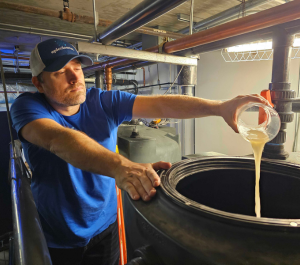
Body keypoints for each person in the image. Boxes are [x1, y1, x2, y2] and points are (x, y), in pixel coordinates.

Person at [10, 38, 271, 265]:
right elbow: (57, 139)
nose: (74, 77)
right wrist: (122, 167)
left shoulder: (101, 100)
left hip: (105, 226)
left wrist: (220, 107)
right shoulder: (27, 107)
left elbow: (160, 105)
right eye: (59, 72)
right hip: (58, 234)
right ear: (39, 83)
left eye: (77, 67)